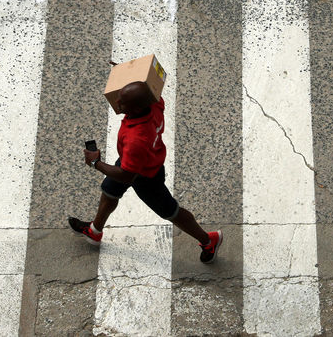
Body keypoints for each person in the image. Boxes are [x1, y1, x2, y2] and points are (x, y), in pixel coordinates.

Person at [68, 81, 222, 263]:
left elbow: (126, 175)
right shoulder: (154, 104)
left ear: (136, 108)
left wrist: (96, 162)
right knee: (109, 191)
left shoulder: (136, 139)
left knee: (171, 211)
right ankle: (95, 231)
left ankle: (208, 240)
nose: (117, 102)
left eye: (122, 101)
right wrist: (124, 73)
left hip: (145, 176)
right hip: (134, 160)